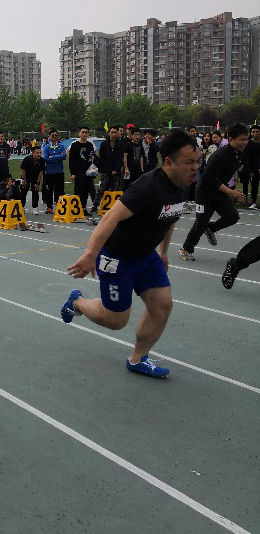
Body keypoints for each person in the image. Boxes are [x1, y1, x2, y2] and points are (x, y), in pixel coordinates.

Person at [62, 129, 200, 379]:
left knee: (162, 306)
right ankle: (77, 302)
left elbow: (169, 218)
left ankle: (138, 359)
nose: (195, 168)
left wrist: (163, 252)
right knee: (116, 321)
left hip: (146, 257)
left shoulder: (182, 187)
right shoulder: (147, 186)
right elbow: (110, 217)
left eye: (197, 161)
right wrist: (91, 254)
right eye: (189, 162)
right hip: (117, 258)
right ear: (169, 162)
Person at [179, 123, 249, 261]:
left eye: (246, 139)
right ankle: (186, 249)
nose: (244, 143)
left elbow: (238, 168)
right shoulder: (220, 155)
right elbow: (209, 178)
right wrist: (230, 192)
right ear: (230, 139)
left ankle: (211, 228)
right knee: (201, 222)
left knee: (232, 216)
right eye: (241, 139)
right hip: (204, 192)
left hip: (219, 191)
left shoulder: (240, 153)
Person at [68, 126, 99, 215]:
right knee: (78, 190)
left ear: (88, 134)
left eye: (86, 132)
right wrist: (72, 173)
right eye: (82, 132)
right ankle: (76, 209)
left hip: (88, 171)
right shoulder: (75, 145)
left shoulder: (90, 144)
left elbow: (92, 157)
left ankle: (83, 208)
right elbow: (71, 160)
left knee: (86, 191)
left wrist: (94, 168)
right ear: (79, 133)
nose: (84, 134)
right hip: (78, 171)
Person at [42, 128, 67, 214]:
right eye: (52, 135)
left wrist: (52, 157)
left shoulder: (61, 146)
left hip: (59, 171)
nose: (54, 137)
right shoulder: (46, 147)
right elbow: (45, 158)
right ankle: (49, 207)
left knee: (60, 190)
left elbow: (64, 156)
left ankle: (62, 207)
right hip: (49, 172)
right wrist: (58, 157)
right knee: (50, 190)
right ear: (49, 136)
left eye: (56, 135)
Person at [20, 145, 45, 214]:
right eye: (37, 153)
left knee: (35, 192)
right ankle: (21, 206)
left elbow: (41, 172)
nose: (39, 154)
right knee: (23, 192)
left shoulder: (42, 160)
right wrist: (24, 181)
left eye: (40, 153)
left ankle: (34, 207)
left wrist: (38, 182)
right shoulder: (27, 159)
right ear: (33, 153)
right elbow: (23, 170)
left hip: (35, 178)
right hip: (26, 177)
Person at [243, 124, 260, 210]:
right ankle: (253, 202)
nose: (255, 133)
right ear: (251, 133)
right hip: (254, 169)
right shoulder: (248, 144)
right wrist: (250, 170)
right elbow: (247, 158)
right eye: (253, 132)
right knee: (254, 186)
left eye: (257, 132)